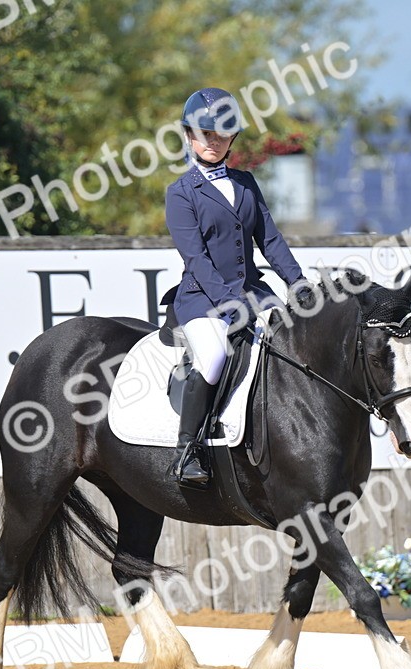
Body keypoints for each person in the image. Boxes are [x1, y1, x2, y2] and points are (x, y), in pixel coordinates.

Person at [165, 87, 312, 489]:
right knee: (213, 356)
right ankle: (187, 450)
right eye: (205, 134)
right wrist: (230, 303)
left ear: (232, 139)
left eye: (221, 135)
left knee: (294, 341)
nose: (213, 142)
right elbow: (196, 258)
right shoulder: (180, 193)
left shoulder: (246, 183)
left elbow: (270, 238)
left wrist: (296, 280)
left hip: (253, 291)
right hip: (203, 298)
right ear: (190, 136)